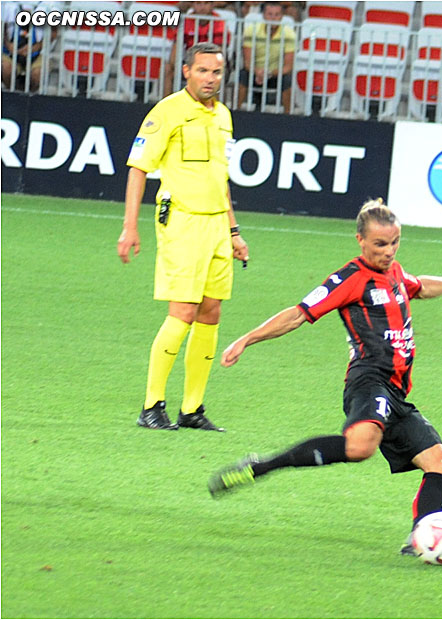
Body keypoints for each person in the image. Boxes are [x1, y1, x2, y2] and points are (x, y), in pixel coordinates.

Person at [208, 199, 442, 555]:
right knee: (360, 448)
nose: (388, 251)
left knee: (441, 464)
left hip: (397, 393)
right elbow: (298, 314)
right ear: (360, 240)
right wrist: (247, 339)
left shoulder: (395, 273)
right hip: (369, 380)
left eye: (394, 242)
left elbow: (421, 286)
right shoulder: (350, 279)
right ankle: (263, 466)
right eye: (379, 244)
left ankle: (422, 535)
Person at [117, 42, 249, 432]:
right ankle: (151, 406)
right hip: (183, 222)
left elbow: (219, 178)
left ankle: (192, 410)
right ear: (187, 71)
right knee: (183, 312)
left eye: (217, 72)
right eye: (203, 70)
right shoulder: (167, 112)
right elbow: (138, 168)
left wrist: (234, 230)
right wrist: (129, 226)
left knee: (211, 312)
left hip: (215, 226)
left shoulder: (223, 115)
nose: (210, 78)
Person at [238, 1, 296, 113]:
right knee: (242, 75)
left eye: (277, 14)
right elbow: (247, 62)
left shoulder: (289, 34)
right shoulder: (251, 30)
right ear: (263, 15)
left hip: (276, 73)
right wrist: (257, 72)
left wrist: (269, 73)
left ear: (282, 16)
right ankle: (236, 112)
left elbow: (288, 67)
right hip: (254, 72)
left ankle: (288, 116)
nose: (273, 18)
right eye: (270, 14)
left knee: (287, 80)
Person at [163, 1, 230, 97]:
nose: (202, 7)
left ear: (212, 5)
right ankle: (166, 106)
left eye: (206, 3)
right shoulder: (186, 20)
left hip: (211, 63)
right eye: (198, 3)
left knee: (217, 72)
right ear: (193, 5)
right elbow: (176, 45)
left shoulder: (219, 23)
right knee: (167, 69)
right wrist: (174, 65)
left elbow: (219, 51)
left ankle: (213, 108)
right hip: (190, 61)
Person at [2, 1, 44, 91]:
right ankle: (12, 93)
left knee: (37, 73)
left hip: (35, 54)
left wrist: (34, 48)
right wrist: (9, 45)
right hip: (11, 53)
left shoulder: (45, 8)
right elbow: (2, 28)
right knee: (6, 67)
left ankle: (30, 97)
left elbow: (53, 34)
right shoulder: (9, 7)